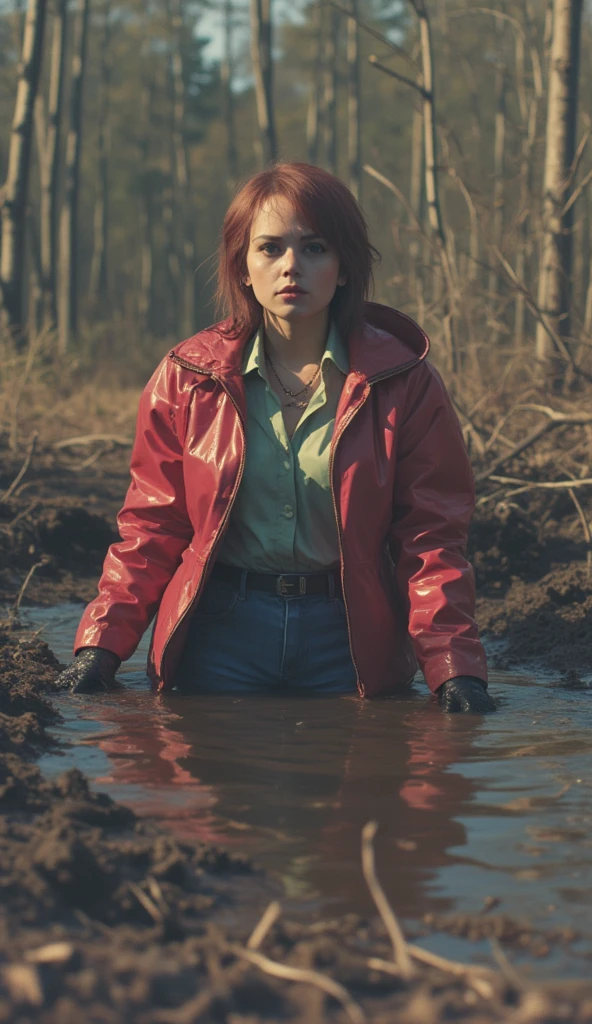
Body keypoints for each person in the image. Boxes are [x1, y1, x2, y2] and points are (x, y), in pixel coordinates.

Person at [59, 162, 495, 713]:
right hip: (219, 638)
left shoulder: (403, 382)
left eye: (314, 248)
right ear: (242, 265)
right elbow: (152, 525)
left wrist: (455, 669)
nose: (292, 267)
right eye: (270, 248)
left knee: (368, 785)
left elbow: (431, 539)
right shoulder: (188, 378)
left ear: (343, 267)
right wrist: (100, 648)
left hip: (351, 640)